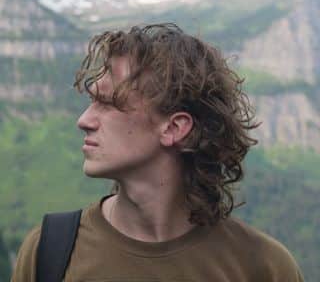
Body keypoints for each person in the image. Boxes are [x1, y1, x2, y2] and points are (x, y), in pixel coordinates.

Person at [11, 23, 304, 281]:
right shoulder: (50, 252)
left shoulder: (263, 268)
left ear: (174, 128)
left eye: (109, 103)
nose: (84, 120)